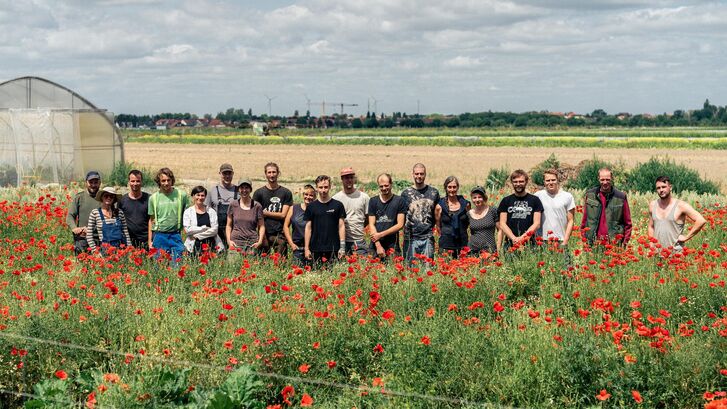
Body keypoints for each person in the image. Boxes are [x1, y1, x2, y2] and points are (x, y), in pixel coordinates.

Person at [648, 176, 706, 251]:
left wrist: (686, 237)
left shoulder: (681, 206)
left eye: (664, 187)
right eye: (658, 188)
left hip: (676, 256)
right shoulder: (653, 205)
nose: (661, 190)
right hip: (657, 253)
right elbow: (651, 226)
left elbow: (701, 220)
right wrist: (651, 243)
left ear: (670, 187)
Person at [580, 168, 632, 245]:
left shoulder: (620, 197)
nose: (605, 182)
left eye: (607, 179)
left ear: (612, 179)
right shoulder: (590, 195)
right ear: (598, 179)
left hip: (613, 244)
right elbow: (585, 220)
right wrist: (584, 238)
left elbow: (628, 224)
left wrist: (624, 243)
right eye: (602, 179)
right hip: (593, 243)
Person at [148, 168, 190, 262]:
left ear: (172, 180)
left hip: (176, 235)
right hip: (159, 235)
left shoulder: (181, 195)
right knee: (159, 267)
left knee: (177, 265)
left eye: (168, 180)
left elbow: (187, 216)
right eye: (163, 180)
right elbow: (151, 220)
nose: (166, 183)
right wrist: (150, 241)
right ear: (159, 182)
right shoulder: (153, 198)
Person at [401, 163, 440, 262]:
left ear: (425, 174)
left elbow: (437, 214)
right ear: (413, 174)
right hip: (410, 238)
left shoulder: (433, 192)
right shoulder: (405, 194)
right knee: (410, 269)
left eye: (421, 174)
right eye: (417, 174)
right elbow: (402, 216)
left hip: (428, 237)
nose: (419, 176)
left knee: (428, 268)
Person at [304, 175, 346, 266]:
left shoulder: (338, 205)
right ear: (316, 188)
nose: (323, 190)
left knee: (334, 277)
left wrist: (342, 247)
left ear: (330, 187)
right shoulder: (311, 207)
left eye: (326, 187)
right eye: (321, 187)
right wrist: (306, 249)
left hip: (334, 248)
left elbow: (341, 226)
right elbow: (308, 228)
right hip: (315, 248)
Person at [497, 169, 543, 251]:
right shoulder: (506, 200)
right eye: (515, 182)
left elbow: (537, 223)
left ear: (526, 182)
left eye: (521, 181)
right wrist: (514, 238)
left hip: (530, 244)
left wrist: (523, 238)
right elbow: (502, 223)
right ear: (512, 183)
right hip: (510, 244)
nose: (518, 184)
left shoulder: (535, 200)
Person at [253, 162, 293, 255]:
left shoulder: (286, 193)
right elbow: (256, 215)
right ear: (266, 174)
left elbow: (283, 215)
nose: (272, 175)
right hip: (263, 233)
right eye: (269, 172)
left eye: (274, 172)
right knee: (262, 262)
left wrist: (265, 213)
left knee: (280, 263)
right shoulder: (259, 193)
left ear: (278, 173)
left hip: (279, 234)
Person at [367, 173, 406, 259]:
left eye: (386, 185)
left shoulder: (399, 201)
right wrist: (378, 245)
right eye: (381, 186)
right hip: (375, 245)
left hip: (392, 245)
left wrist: (381, 234)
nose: (384, 188)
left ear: (391, 184)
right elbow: (371, 224)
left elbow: (400, 224)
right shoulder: (373, 201)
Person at [332, 167, 370, 255]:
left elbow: (368, 218)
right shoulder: (336, 199)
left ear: (354, 179)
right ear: (342, 179)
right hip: (342, 242)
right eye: (346, 178)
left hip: (359, 242)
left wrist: (360, 226)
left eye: (351, 177)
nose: (349, 180)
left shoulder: (364, 197)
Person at [534, 169, 575, 247]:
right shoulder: (538, 196)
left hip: (560, 240)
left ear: (557, 181)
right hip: (542, 240)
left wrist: (565, 241)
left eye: (553, 180)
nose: (550, 182)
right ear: (544, 182)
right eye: (548, 180)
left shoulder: (567, 196)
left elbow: (571, 220)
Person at [85, 186, 131, 254]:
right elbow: (89, 235)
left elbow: (126, 233)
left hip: (120, 250)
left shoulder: (119, 212)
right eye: (106, 196)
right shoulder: (95, 213)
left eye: (111, 196)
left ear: (114, 199)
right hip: (104, 251)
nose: (109, 198)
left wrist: (129, 249)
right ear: (102, 197)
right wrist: (95, 251)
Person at [67, 171, 101, 255]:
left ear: (100, 183)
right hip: (83, 238)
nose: (93, 185)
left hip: (99, 238)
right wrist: (74, 228)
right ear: (86, 182)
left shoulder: (104, 197)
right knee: (83, 265)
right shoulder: (79, 197)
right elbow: (70, 215)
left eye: (96, 182)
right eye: (91, 182)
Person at [227, 178, 265, 254]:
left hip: (252, 243)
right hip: (235, 243)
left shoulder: (257, 206)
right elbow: (228, 225)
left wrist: (260, 241)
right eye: (242, 188)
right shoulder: (233, 205)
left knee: (251, 265)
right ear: (238, 190)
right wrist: (229, 241)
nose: (244, 190)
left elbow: (261, 226)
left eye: (247, 188)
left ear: (250, 190)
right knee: (233, 265)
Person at [435, 176, 470, 257]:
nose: (452, 189)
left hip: (462, 242)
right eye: (449, 187)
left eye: (454, 187)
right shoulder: (439, 206)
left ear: (457, 187)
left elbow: (468, 221)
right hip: (446, 244)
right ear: (445, 188)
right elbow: (438, 225)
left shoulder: (466, 204)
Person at [183, 186, 224, 256]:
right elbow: (188, 230)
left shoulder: (211, 211)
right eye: (198, 195)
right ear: (193, 196)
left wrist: (197, 235)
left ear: (205, 197)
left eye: (202, 195)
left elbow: (214, 230)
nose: (200, 197)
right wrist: (204, 228)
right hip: (193, 246)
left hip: (211, 245)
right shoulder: (188, 212)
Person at [205, 163, 238, 247]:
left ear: (233, 174)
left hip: (235, 230)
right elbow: (206, 211)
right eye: (224, 173)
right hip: (217, 231)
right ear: (220, 173)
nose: (227, 176)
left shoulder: (239, 191)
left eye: (229, 173)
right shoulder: (212, 191)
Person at [283, 184, 316, 266]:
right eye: (306, 194)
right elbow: (285, 226)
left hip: (313, 249)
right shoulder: (294, 208)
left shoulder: (317, 210)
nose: (308, 197)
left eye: (311, 195)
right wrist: (291, 244)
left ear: (315, 197)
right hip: (297, 248)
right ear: (303, 195)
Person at [118, 169, 150, 249]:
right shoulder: (122, 200)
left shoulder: (149, 199)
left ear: (142, 182)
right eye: (132, 181)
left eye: (138, 181)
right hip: (128, 241)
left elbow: (152, 220)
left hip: (146, 240)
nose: (135, 184)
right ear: (128, 182)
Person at [467, 186, 498, 256]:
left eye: (479, 197)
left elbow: (500, 230)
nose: (477, 200)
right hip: (472, 249)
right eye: (474, 198)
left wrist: (498, 247)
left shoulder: (492, 211)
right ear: (472, 199)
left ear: (484, 197)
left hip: (489, 249)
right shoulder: (469, 213)